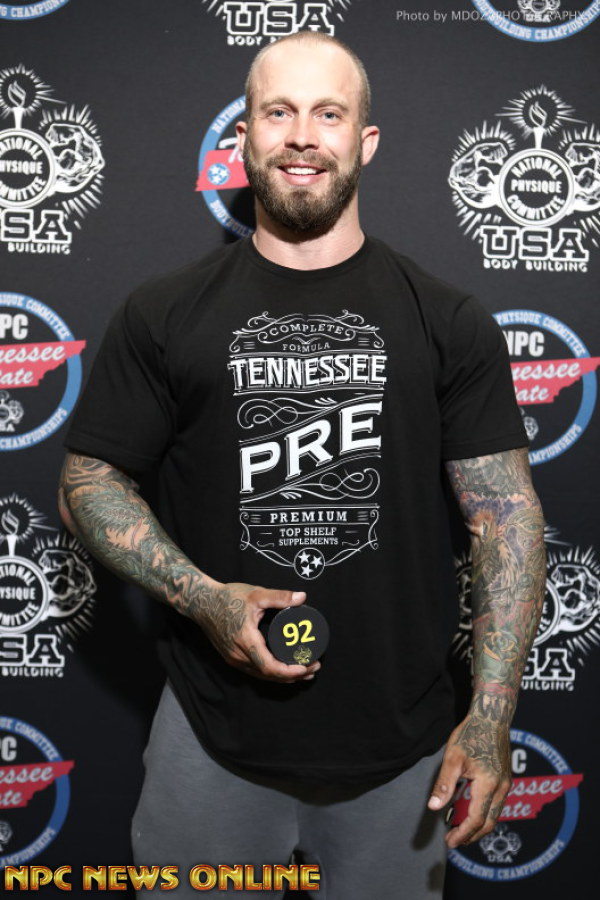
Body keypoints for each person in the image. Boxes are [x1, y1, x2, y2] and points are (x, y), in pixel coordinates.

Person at [59, 32, 545, 899]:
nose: (302, 136)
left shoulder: (447, 319)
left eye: (329, 114)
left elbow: (504, 517)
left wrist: (492, 716)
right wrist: (204, 599)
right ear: (243, 135)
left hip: (403, 750)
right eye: (278, 112)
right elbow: (87, 483)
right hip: (210, 736)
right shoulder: (164, 312)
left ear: (366, 141)